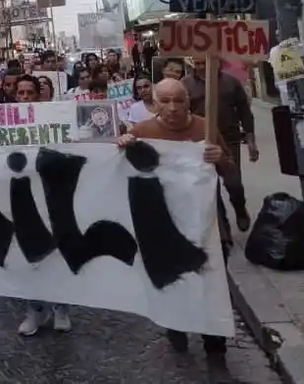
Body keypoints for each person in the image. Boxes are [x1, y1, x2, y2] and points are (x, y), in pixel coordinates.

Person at [115, 78, 234, 374]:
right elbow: (117, 172)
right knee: (170, 282)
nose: (172, 108)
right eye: (164, 101)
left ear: (188, 102)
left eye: (178, 100)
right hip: (162, 228)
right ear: (154, 104)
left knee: (211, 285)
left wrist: (220, 159)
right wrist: (121, 145)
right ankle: (175, 325)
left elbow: (230, 170)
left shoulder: (205, 128)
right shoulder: (142, 132)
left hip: (207, 225)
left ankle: (216, 351)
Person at [17, 76, 71, 336]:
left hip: (53, 196)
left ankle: (61, 307)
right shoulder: (6, 120)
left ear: (39, 95)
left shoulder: (53, 118)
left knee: (58, 254)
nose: (25, 97)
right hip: (22, 199)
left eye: (30, 93)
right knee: (30, 258)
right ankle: (35, 310)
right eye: (21, 93)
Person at [183, 57, 256, 232]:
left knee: (233, 182)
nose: (201, 68)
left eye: (205, 64)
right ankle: (222, 230)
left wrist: (251, 140)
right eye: (198, 64)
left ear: (217, 64)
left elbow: (245, 112)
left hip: (229, 140)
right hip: (200, 143)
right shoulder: (185, 85)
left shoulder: (231, 83)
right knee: (209, 188)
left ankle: (240, 209)